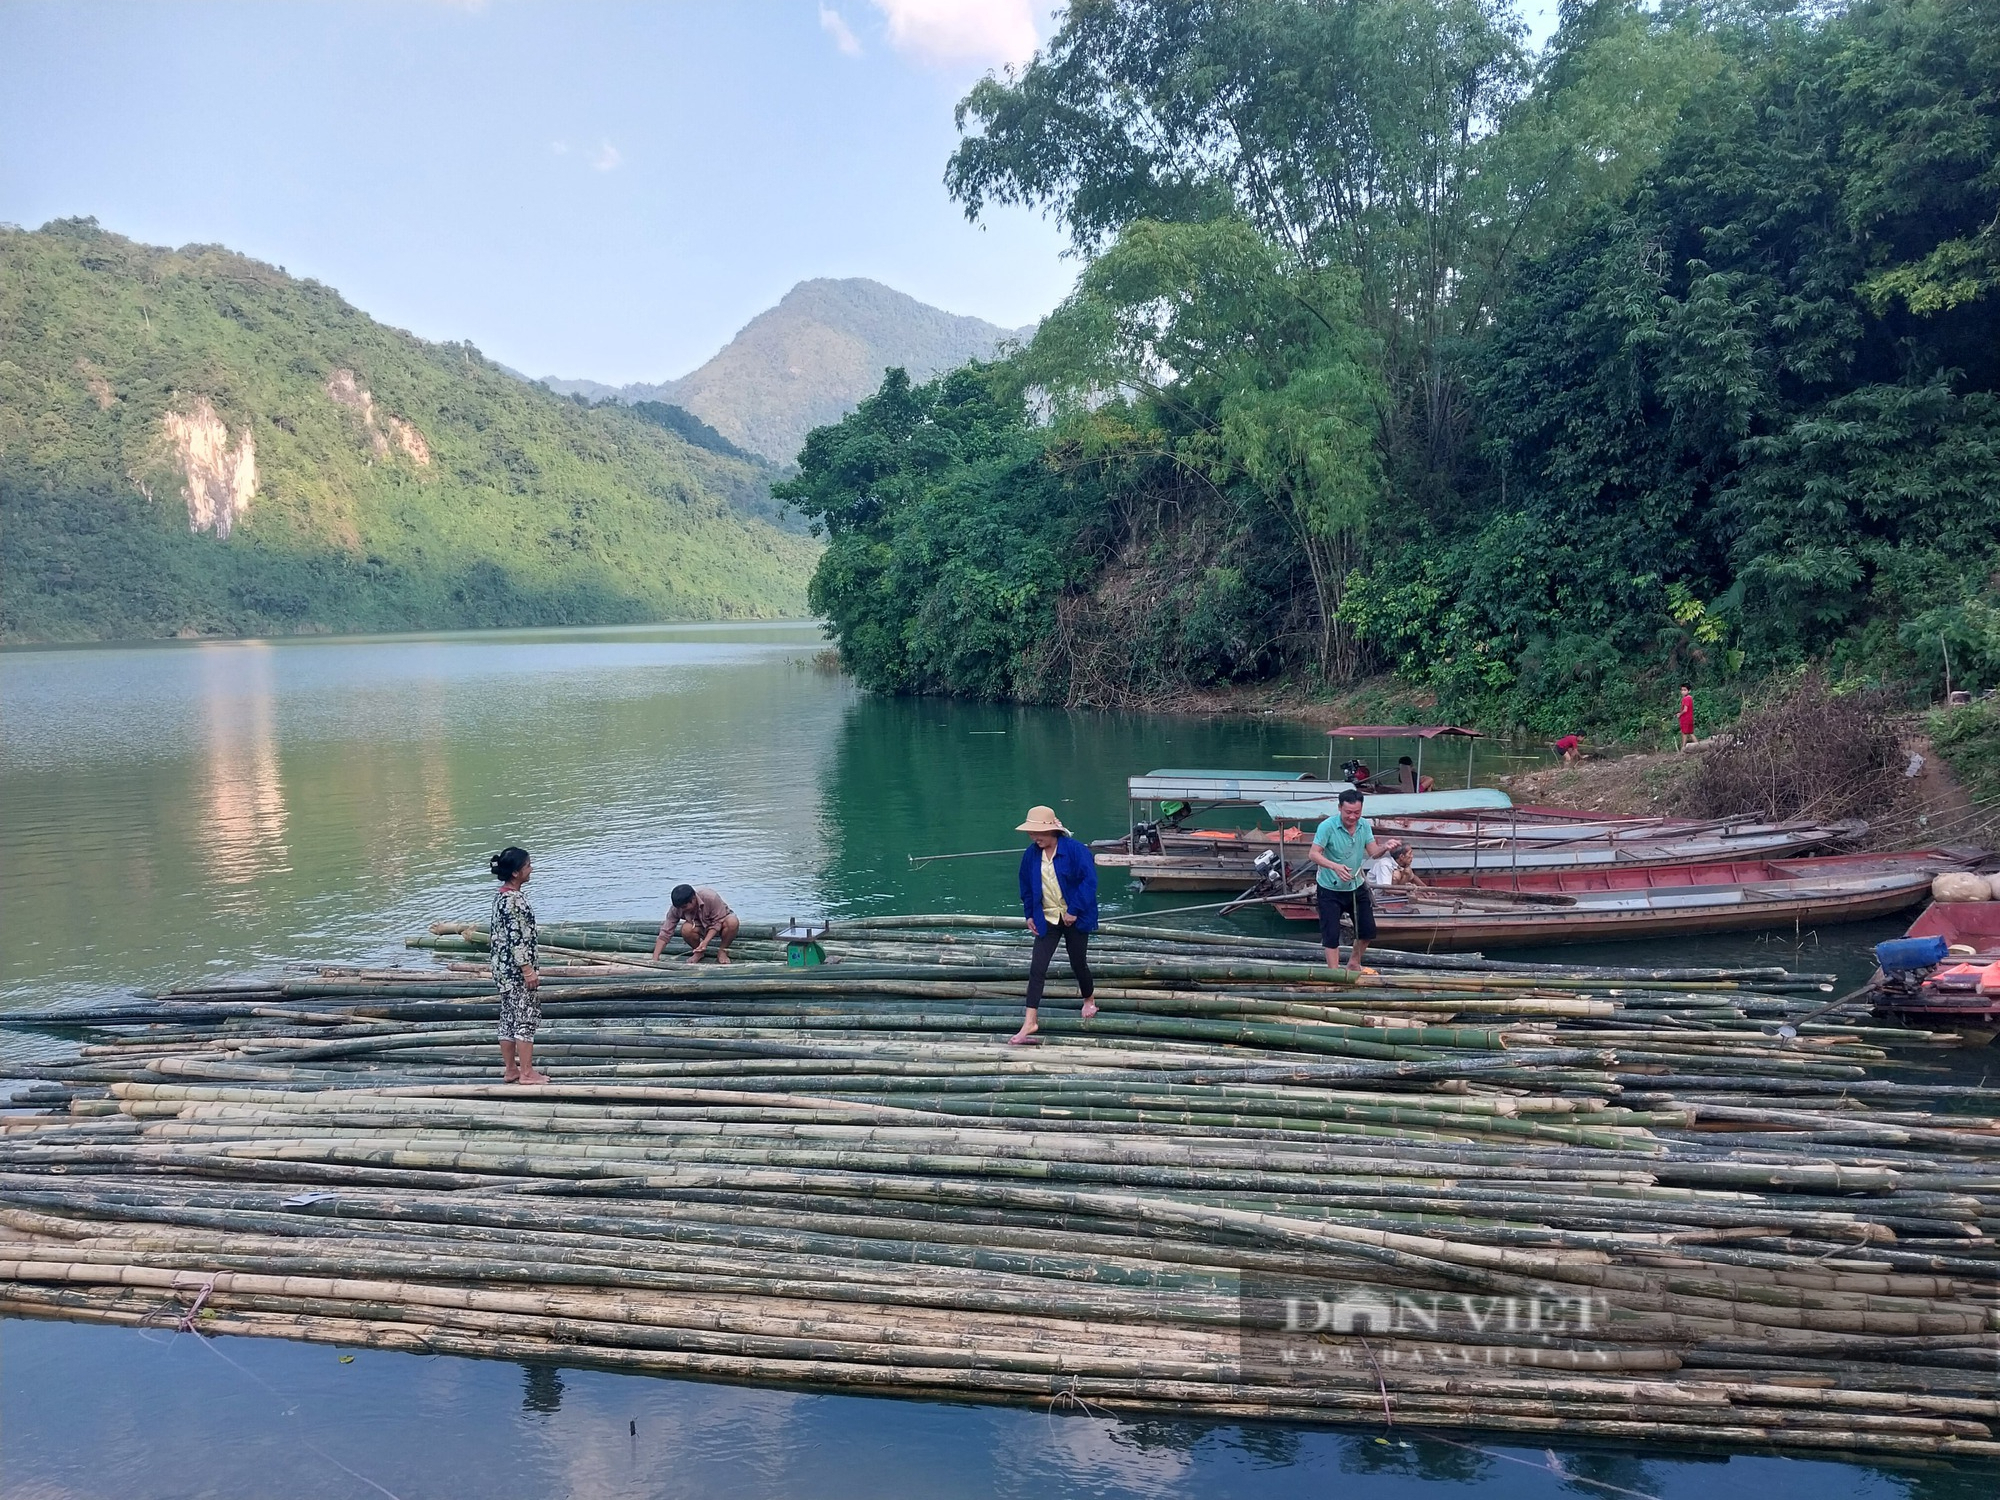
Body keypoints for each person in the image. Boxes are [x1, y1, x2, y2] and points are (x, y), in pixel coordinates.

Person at [1011, 805, 1099, 1045]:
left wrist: (1074, 910)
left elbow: (1089, 883)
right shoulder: (1031, 855)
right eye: (1031, 834)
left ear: (1053, 831)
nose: (1034, 838)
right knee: (1037, 967)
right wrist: (1029, 913)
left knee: (1078, 962)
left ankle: (1089, 1000)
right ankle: (1030, 1021)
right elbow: (1026, 886)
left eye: (1038, 834)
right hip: (1046, 917)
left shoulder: (1075, 850)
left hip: (1075, 916)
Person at [1309, 789, 1402, 975]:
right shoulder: (1327, 826)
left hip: (1355, 885)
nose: (1352, 817)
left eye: (1357, 813)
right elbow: (1313, 854)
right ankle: (1334, 973)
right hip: (1330, 888)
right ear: (1340, 808)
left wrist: (1385, 847)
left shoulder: (1364, 826)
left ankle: (1353, 962)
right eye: (1348, 812)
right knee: (1331, 935)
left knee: (1367, 930)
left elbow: (1373, 852)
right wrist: (1335, 866)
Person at [489, 846, 546, 1084]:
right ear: (515, 873)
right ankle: (526, 1072)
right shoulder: (514, 900)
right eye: (528, 865)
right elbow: (516, 938)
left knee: (508, 1019)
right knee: (525, 1019)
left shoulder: (501, 896)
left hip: (502, 970)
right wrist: (528, 970)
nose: (531, 869)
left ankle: (511, 1069)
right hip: (516, 972)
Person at [653, 884, 739, 964]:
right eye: (679, 908)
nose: (682, 910)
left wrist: (705, 942)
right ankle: (698, 951)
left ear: (693, 899)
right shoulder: (676, 908)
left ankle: (722, 950)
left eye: (684, 907)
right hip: (700, 926)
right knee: (686, 928)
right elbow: (665, 933)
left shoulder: (711, 897)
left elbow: (717, 922)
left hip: (721, 922)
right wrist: (655, 958)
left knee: (732, 922)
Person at [1677, 687, 1696, 751]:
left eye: (1685, 690)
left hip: (1685, 719)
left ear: (1689, 691)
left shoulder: (1685, 699)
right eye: (1682, 690)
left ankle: (1683, 748)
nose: (1683, 691)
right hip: (1690, 718)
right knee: (1691, 733)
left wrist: (1680, 714)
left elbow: (1685, 710)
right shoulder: (1690, 698)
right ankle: (1698, 746)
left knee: (1684, 733)